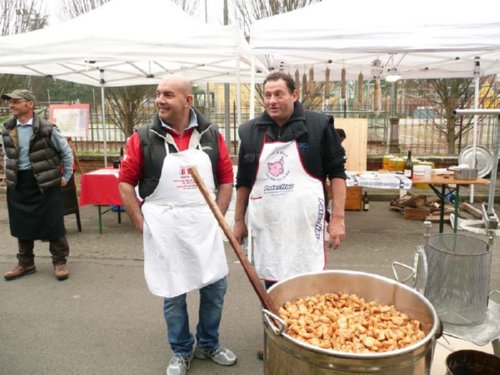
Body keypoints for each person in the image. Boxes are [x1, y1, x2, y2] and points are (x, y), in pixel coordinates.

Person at [118, 75, 237, 375]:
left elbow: (226, 179)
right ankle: (182, 350)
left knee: (215, 288)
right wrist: (140, 223)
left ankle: (209, 344)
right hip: (165, 229)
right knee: (174, 293)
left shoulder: (210, 134)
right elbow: (124, 182)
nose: (159, 100)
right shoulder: (143, 138)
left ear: (187, 100)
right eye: (158, 94)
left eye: (168, 94)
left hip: (204, 227)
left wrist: (218, 218)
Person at [234, 72, 347, 290]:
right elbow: (244, 182)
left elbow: (337, 173)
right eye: (267, 95)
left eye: (278, 94)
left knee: (308, 287)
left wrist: (338, 219)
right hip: (268, 227)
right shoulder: (250, 132)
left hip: (304, 224)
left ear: (294, 95)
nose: (272, 101)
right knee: (272, 287)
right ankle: (274, 324)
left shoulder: (318, 125)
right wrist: (239, 221)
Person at [2, 89, 73, 281]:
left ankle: (59, 261)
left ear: (30, 104)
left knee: (53, 222)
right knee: (20, 223)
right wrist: (7, 176)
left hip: (45, 182)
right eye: (10, 102)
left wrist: (66, 175)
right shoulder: (7, 128)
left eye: (16, 101)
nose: (11, 105)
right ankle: (26, 263)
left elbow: (66, 153)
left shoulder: (47, 128)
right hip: (18, 182)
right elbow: (8, 155)